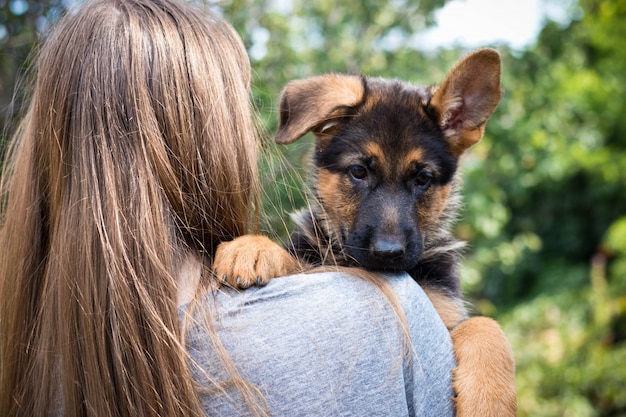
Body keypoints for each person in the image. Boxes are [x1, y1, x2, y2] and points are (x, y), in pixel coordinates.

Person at [0, 0, 455, 416]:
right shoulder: (388, 323)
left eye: (421, 181)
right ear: (220, 142)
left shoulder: (26, 360)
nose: (389, 233)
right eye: (360, 174)